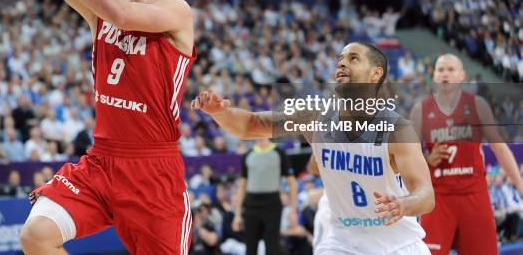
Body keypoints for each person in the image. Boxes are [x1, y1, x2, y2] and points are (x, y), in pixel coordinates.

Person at [0, 0, 196, 255]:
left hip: (153, 171)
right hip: (101, 161)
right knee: (36, 236)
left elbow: (123, 14)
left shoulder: (177, 12)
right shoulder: (99, 16)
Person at [193, 42, 435, 255]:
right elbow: (252, 125)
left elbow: (426, 194)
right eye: (339, 59)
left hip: (398, 245)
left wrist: (403, 205)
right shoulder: (314, 115)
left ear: (375, 74)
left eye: (353, 58)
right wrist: (220, 113)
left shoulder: (397, 129)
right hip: (343, 244)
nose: (341, 64)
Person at [410, 53, 523, 255]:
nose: (445, 74)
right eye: (440, 69)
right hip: (437, 198)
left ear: (462, 75)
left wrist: (520, 185)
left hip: (474, 195)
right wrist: (427, 159)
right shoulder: (421, 110)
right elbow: (409, 155)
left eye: (450, 69)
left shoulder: (478, 105)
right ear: (434, 76)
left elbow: (500, 148)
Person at [233, 138, 297, 255]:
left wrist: (293, 211)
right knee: (250, 247)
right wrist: (237, 214)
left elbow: (292, 182)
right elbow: (242, 186)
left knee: (272, 248)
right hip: (251, 205)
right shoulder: (248, 154)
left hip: (272, 205)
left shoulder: (279, 153)